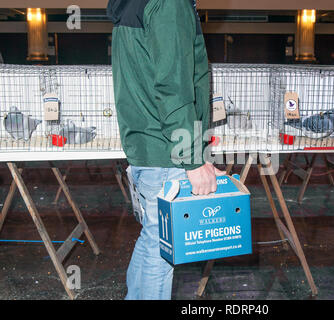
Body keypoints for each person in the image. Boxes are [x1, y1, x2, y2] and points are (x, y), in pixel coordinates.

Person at [107, 0, 224, 300]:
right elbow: (174, 88)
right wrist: (193, 159)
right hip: (167, 151)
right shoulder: (169, 4)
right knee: (161, 249)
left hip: (149, 145)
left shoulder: (137, 4)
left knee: (153, 240)